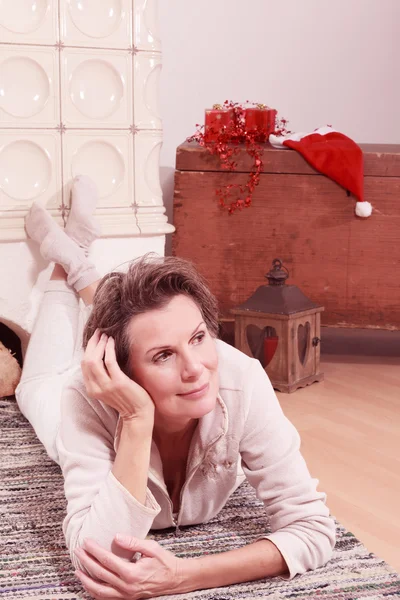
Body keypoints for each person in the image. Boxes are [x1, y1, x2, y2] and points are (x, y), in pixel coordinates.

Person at [16, 177, 336, 600]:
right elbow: (97, 563)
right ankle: (65, 262)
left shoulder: (241, 378)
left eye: (200, 337)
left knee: (146, 323)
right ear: (123, 372)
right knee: (34, 384)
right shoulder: (82, 398)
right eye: (163, 356)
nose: (196, 370)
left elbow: (313, 527)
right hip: (75, 405)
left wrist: (184, 575)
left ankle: (74, 260)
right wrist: (134, 419)